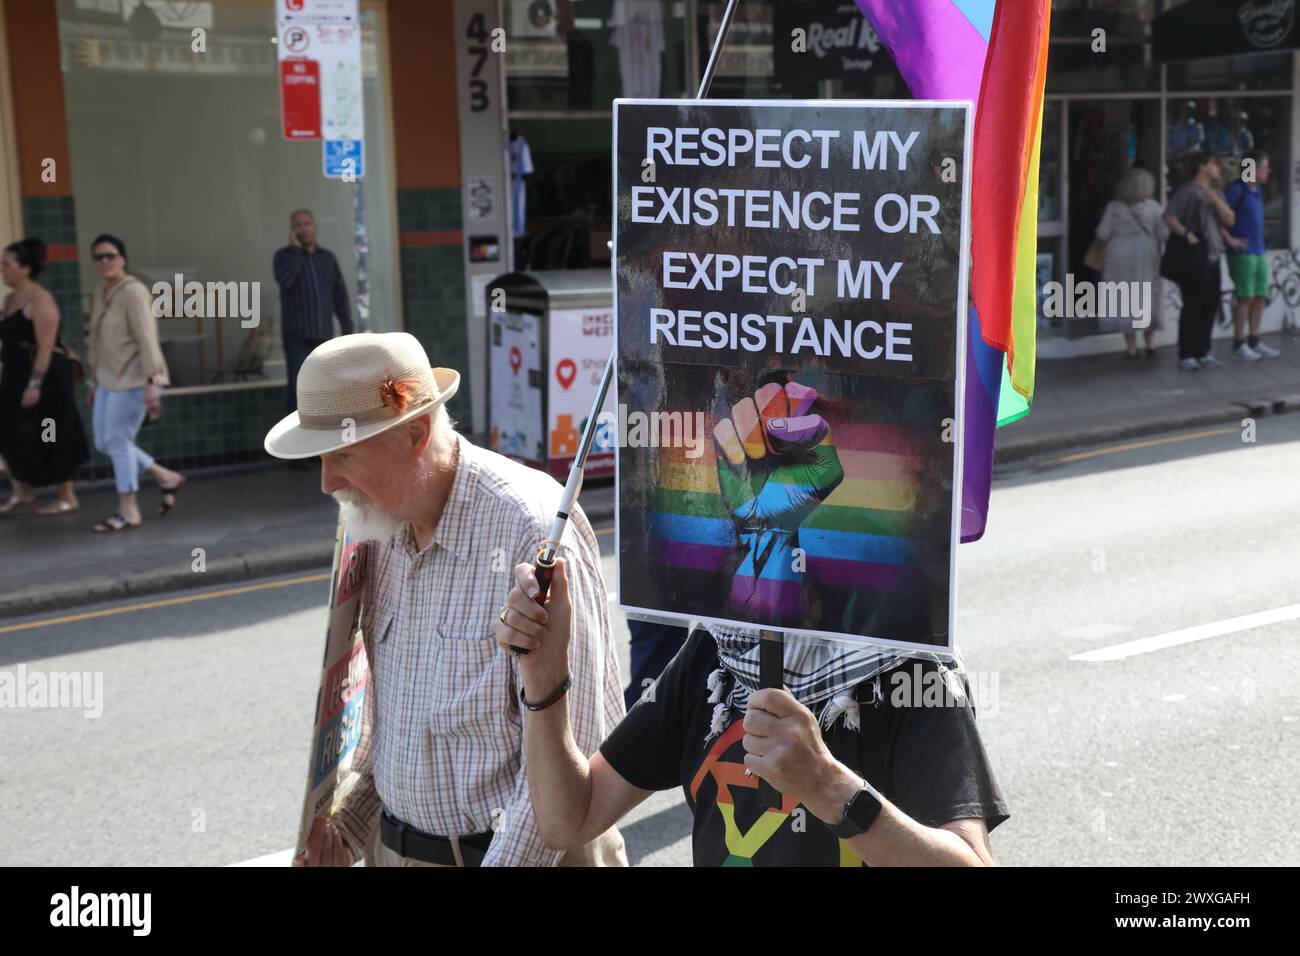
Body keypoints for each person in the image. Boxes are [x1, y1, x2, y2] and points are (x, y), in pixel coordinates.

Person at [270, 332, 626, 867]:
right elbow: (389, 734)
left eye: (342, 455)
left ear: (415, 433)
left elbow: (579, 752)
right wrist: (347, 829)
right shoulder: (377, 524)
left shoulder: (530, 531)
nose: (326, 483)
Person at [496, 588, 1009, 866]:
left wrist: (826, 784)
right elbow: (571, 819)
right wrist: (543, 676)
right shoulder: (717, 652)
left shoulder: (912, 671)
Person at [85, 234, 185, 532]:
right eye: (99, 257)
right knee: (106, 442)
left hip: (133, 378)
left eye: (110, 255)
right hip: (106, 379)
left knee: (118, 442)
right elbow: (97, 340)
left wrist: (152, 381)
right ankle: (166, 477)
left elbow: (146, 339)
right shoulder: (101, 291)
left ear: (123, 258)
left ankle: (128, 510)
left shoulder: (133, 291)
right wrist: (93, 380)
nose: (105, 261)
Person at [0, 238, 89, 515]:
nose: (1, 269)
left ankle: (66, 495)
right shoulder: (9, 299)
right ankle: (22, 490)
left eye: (6, 264)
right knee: (6, 429)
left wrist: (35, 385)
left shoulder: (41, 300)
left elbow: (47, 346)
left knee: (50, 432)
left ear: (25, 268)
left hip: (46, 378)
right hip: (16, 374)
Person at [272, 209, 353, 415]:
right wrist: (297, 252)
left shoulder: (327, 258)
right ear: (292, 231)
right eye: (298, 225)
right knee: (298, 387)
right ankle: (294, 441)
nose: (304, 228)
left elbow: (339, 295)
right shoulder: (283, 257)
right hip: (296, 335)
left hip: (323, 334)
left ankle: (325, 434)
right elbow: (285, 281)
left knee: (327, 385)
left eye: (307, 223)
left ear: (315, 227)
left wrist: (347, 329)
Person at [1164, 151, 1236, 371]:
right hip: (1195, 256)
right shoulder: (1187, 192)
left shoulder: (1216, 193)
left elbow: (1230, 220)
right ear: (1203, 167)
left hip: (1213, 256)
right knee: (1193, 305)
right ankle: (1186, 353)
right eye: (1214, 164)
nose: (1217, 169)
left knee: (1210, 304)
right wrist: (1188, 235)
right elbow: (1168, 217)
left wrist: (1216, 200)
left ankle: (1202, 350)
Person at [1094, 168, 1168, 359]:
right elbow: (1163, 234)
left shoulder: (1113, 207)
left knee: (1124, 298)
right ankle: (1150, 343)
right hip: (1146, 254)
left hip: (1118, 256)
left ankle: (1131, 348)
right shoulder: (1153, 207)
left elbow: (1102, 233)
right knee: (1147, 296)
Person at [1223, 150, 1280, 361]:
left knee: (1259, 296)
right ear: (1252, 168)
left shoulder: (1256, 191)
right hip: (1243, 252)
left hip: (1259, 251)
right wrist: (1230, 240)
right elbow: (1220, 216)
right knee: (1245, 297)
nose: (1269, 171)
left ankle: (1254, 340)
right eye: (1265, 166)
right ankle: (1239, 343)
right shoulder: (1236, 190)